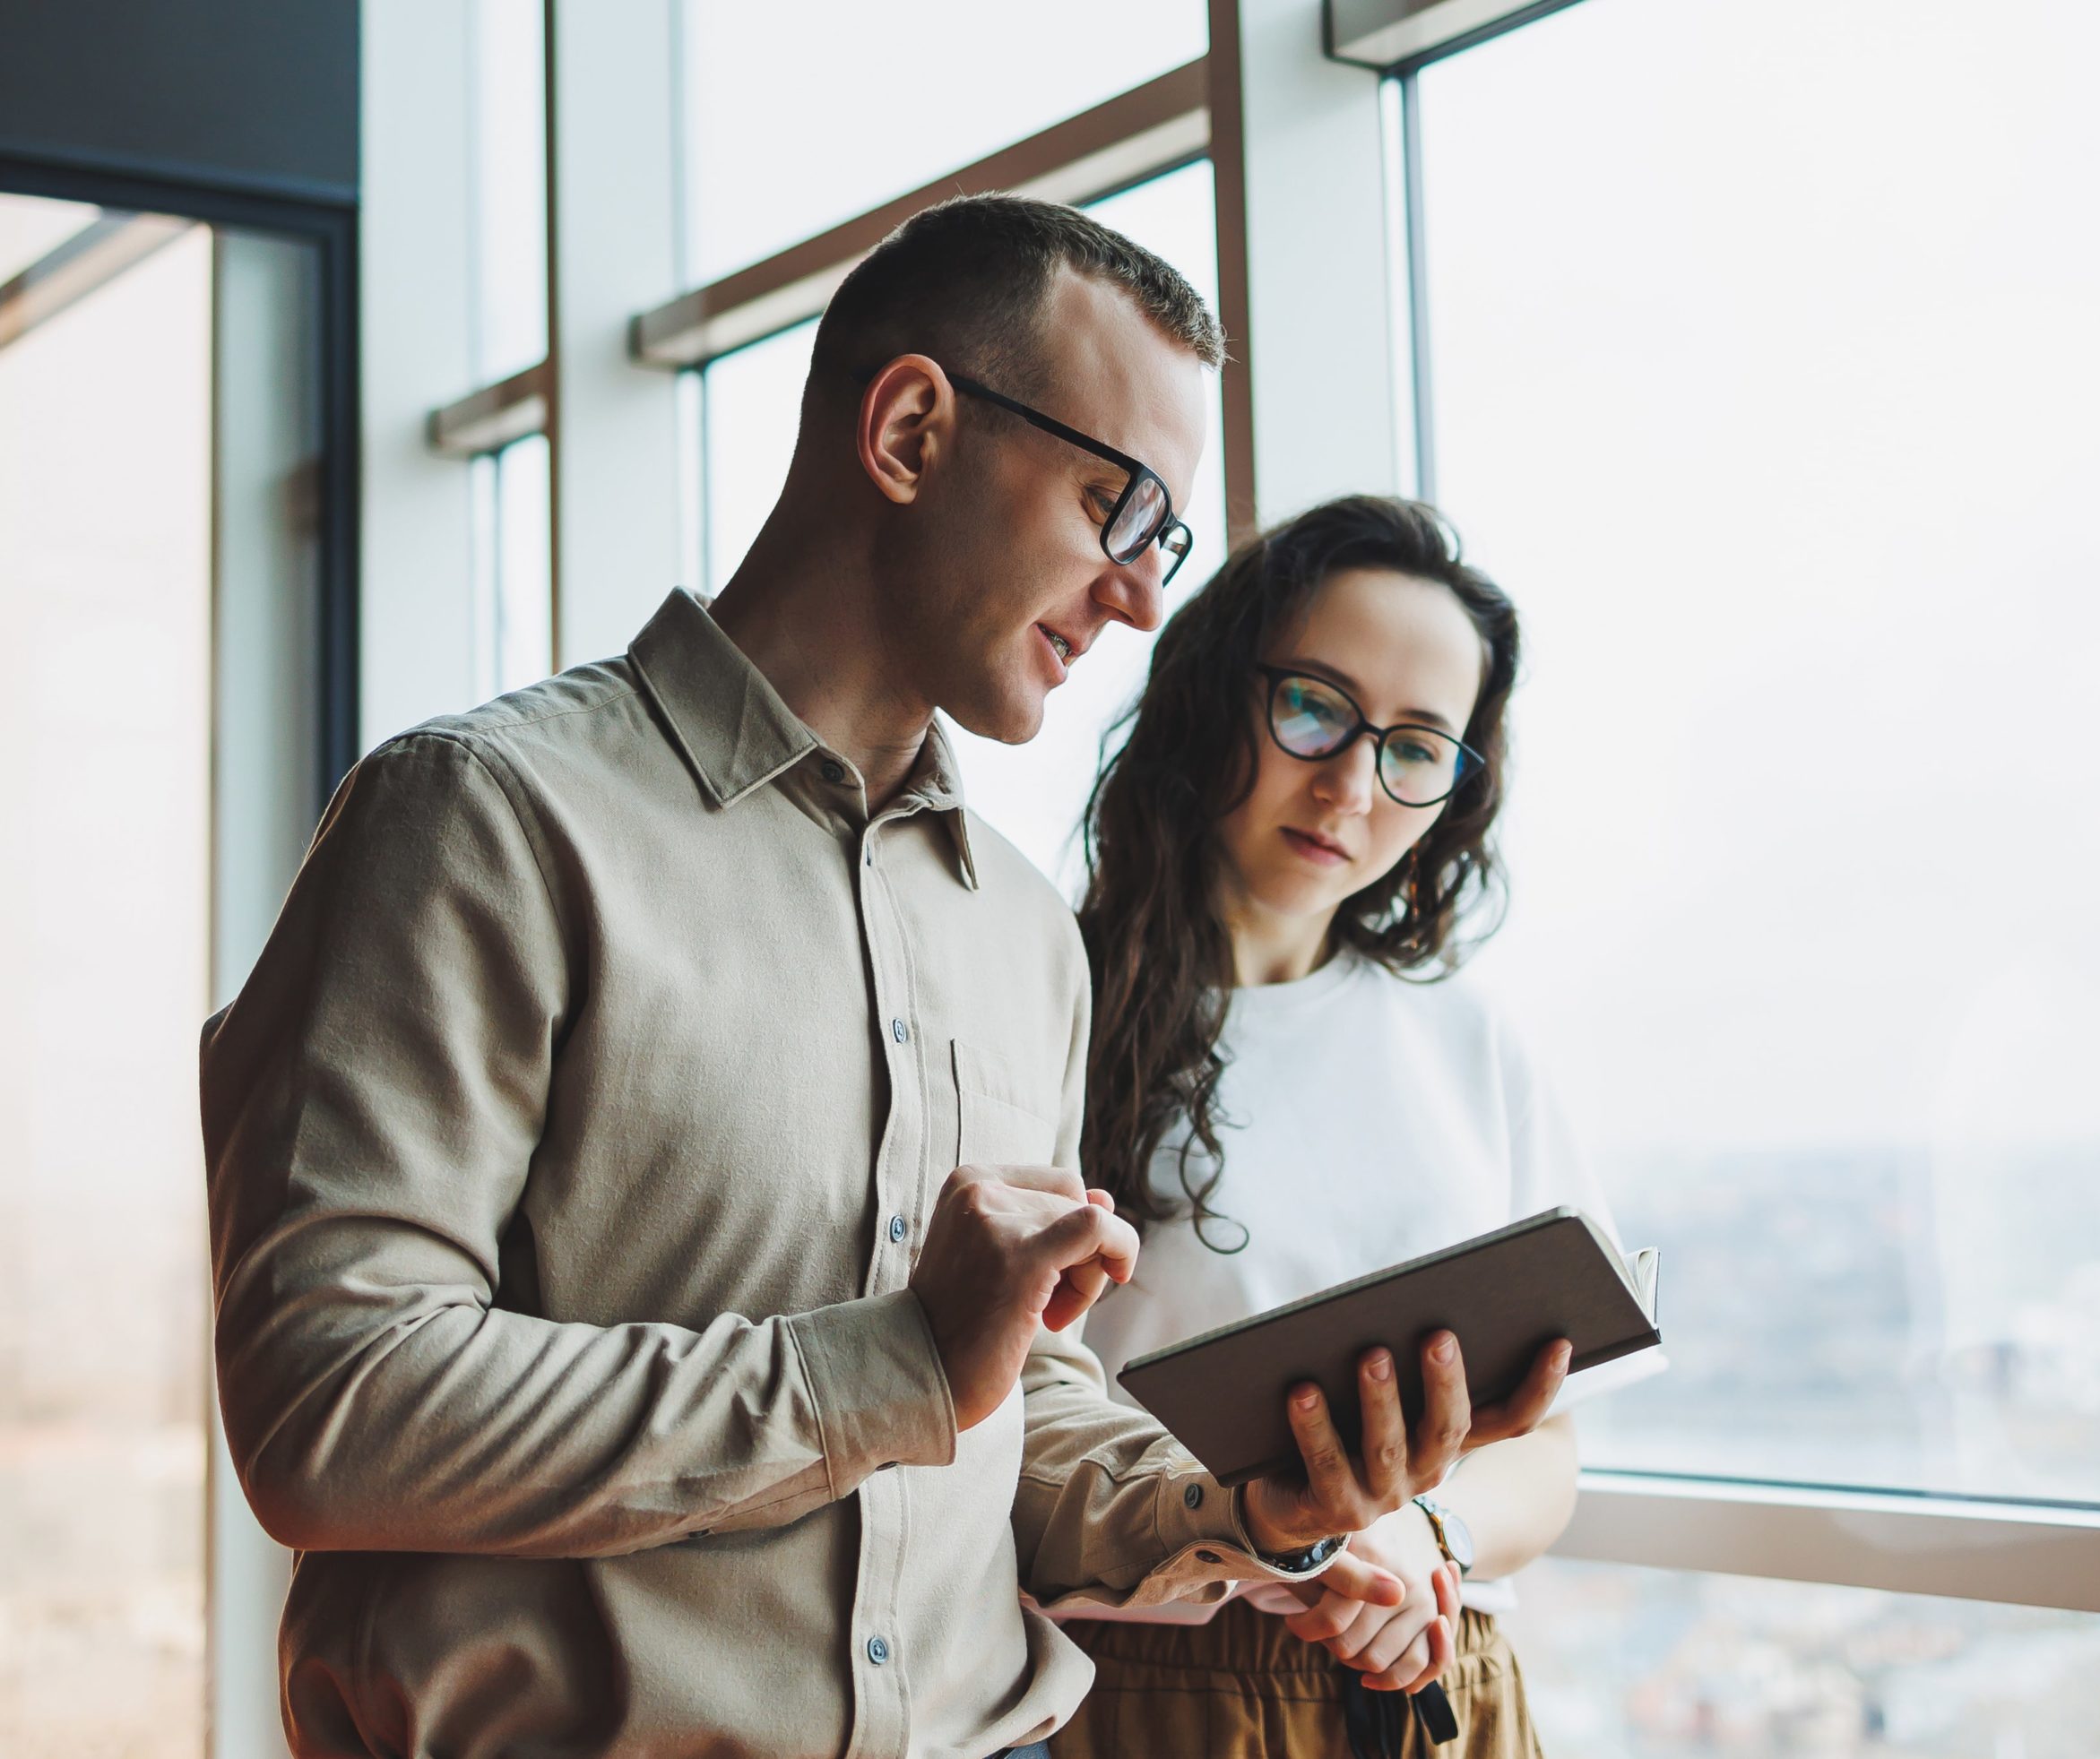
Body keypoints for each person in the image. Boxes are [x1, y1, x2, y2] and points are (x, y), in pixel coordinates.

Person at [201, 200, 1567, 1759]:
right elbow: (333, 1403)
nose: (1136, 597)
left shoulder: (1020, 936)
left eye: (1163, 542)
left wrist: (1238, 1508)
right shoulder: (484, 819)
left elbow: (1010, 1410)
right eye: (1114, 509)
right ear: (913, 429)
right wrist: (893, 1364)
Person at [1054, 496, 1617, 1759]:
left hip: (1444, 1677)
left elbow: (1555, 1445)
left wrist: (1424, 1536)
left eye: (1416, 748)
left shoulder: (1467, 1040)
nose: (1352, 787)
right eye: (1312, 707)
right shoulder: (1038, 1010)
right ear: (1212, 695)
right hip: (1152, 1687)